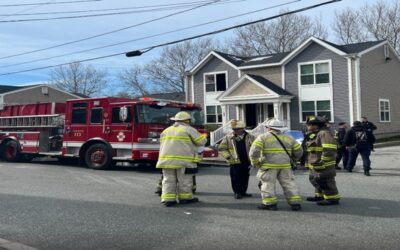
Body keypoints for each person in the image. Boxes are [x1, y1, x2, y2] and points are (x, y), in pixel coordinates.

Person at [249, 119, 303, 211]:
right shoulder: (289, 138)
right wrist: (293, 160)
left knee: (267, 184)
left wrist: (255, 163)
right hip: (285, 166)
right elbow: (299, 151)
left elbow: (254, 152)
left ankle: (270, 204)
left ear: (269, 128)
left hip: (268, 166)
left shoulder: (262, 137)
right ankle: (295, 203)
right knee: (289, 184)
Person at [156, 111, 207, 207]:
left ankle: (168, 199)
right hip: (184, 161)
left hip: (166, 160)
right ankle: (185, 198)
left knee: (168, 180)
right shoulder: (188, 129)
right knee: (185, 180)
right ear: (187, 120)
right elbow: (202, 141)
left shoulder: (166, 130)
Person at [304, 116, 340, 206]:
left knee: (326, 180)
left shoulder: (324, 133)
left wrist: (323, 161)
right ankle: (319, 195)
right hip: (315, 163)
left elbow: (329, 149)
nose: (308, 126)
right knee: (315, 179)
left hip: (323, 163)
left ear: (317, 125)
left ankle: (332, 198)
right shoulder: (313, 134)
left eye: (310, 125)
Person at [218, 120, 255, 199]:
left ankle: (243, 192)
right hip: (234, 160)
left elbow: (255, 148)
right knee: (235, 177)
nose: (234, 131)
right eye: (233, 129)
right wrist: (228, 156)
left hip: (246, 161)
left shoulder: (251, 136)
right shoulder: (228, 137)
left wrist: (254, 158)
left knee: (245, 177)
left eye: (236, 129)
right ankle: (237, 192)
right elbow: (222, 148)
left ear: (242, 129)